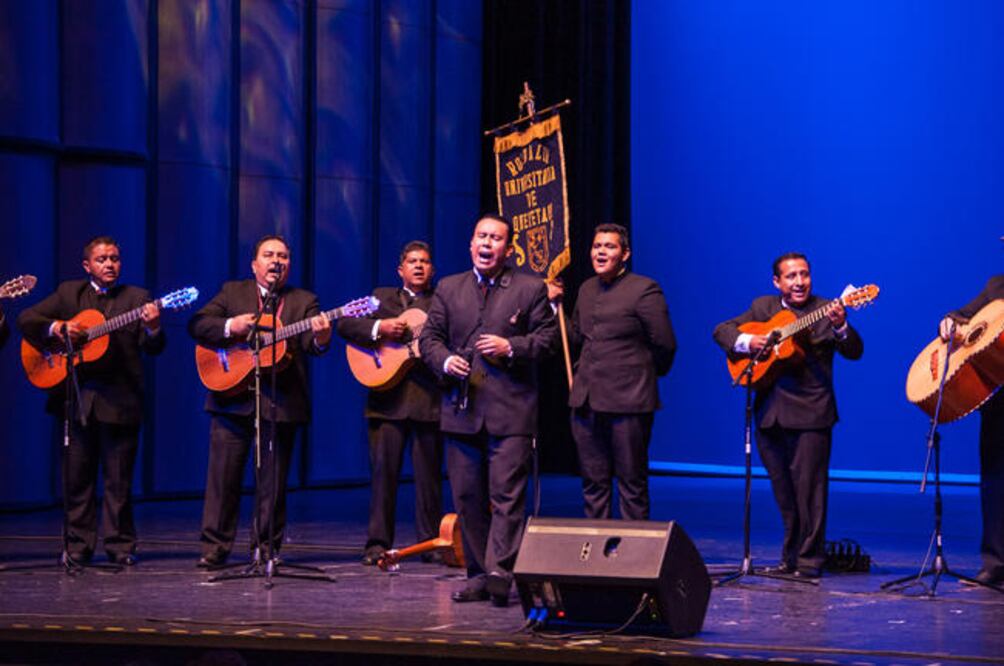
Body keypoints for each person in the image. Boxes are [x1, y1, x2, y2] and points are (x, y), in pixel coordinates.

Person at [419, 213, 558, 606]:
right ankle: (479, 573)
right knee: (467, 497)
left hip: (510, 411)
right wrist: (445, 361)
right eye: (481, 235)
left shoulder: (530, 289)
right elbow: (430, 338)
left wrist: (511, 347)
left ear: (507, 248)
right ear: (470, 243)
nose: (487, 243)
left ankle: (501, 570)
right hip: (462, 410)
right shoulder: (449, 287)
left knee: (507, 495)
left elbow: (547, 340)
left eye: (495, 238)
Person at [712, 252, 863, 578]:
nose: (799, 282)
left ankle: (809, 562)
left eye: (804, 275)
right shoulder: (763, 308)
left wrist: (841, 325)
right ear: (777, 282)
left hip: (811, 413)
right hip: (769, 414)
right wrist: (749, 342)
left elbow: (854, 350)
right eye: (791, 276)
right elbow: (721, 330)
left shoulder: (826, 309)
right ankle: (790, 559)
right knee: (785, 492)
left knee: (811, 492)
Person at [17, 236, 165, 565]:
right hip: (76, 400)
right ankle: (77, 547)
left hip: (121, 401)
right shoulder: (69, 294)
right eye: (102, 259)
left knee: (119, 482)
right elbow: (27, 319)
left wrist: (153, 327)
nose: (110, 264)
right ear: (88, 266)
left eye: (115, 258)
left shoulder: (137, 298)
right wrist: (58, 328)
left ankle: (120, 547)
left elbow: (153, 347)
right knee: (77, 480)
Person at [188, 235, 332, 568]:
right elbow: (198, 326)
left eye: (282, 256)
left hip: (280, 403)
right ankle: (215, 547)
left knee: (273, 483)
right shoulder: (232, 293)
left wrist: (322, 338)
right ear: (255, 264)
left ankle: (266, 547)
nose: (276, 261)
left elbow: (313, 344)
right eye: (268, 255)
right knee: (223, 479)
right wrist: (231, 325)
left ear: (289, 265)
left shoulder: (304, 301)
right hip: (231, 400)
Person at [554, 223, 676, 521]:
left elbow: (665, 344)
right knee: (593, 482)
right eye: (597, 246)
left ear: (625, 254)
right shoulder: (585, 288)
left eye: (609, 246)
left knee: (631, 482)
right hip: (586, 401)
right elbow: (577, 339)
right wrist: (553, 306)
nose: (601, 252)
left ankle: (633, 557)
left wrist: (640, 377)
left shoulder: (644, 289)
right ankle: (597, 551)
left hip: (629, 401)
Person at [336, 240, 443, 566]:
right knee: (384, 477)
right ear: (401, 270)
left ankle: (429, 544)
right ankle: (377, 544)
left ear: (432, 270)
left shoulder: (442, 301)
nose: (419, 266)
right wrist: (379, 327)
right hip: (386, 401)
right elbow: (344, 323)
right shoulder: (381, 298)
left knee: (429, 481)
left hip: (428, 402)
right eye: (412, 261)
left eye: (425, 261)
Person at [939, 274, 1004, 587]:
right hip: (998, 403)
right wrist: (950, 324)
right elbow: (960, 314)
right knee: (995, 483)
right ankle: (995, 564)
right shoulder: (997, 287)